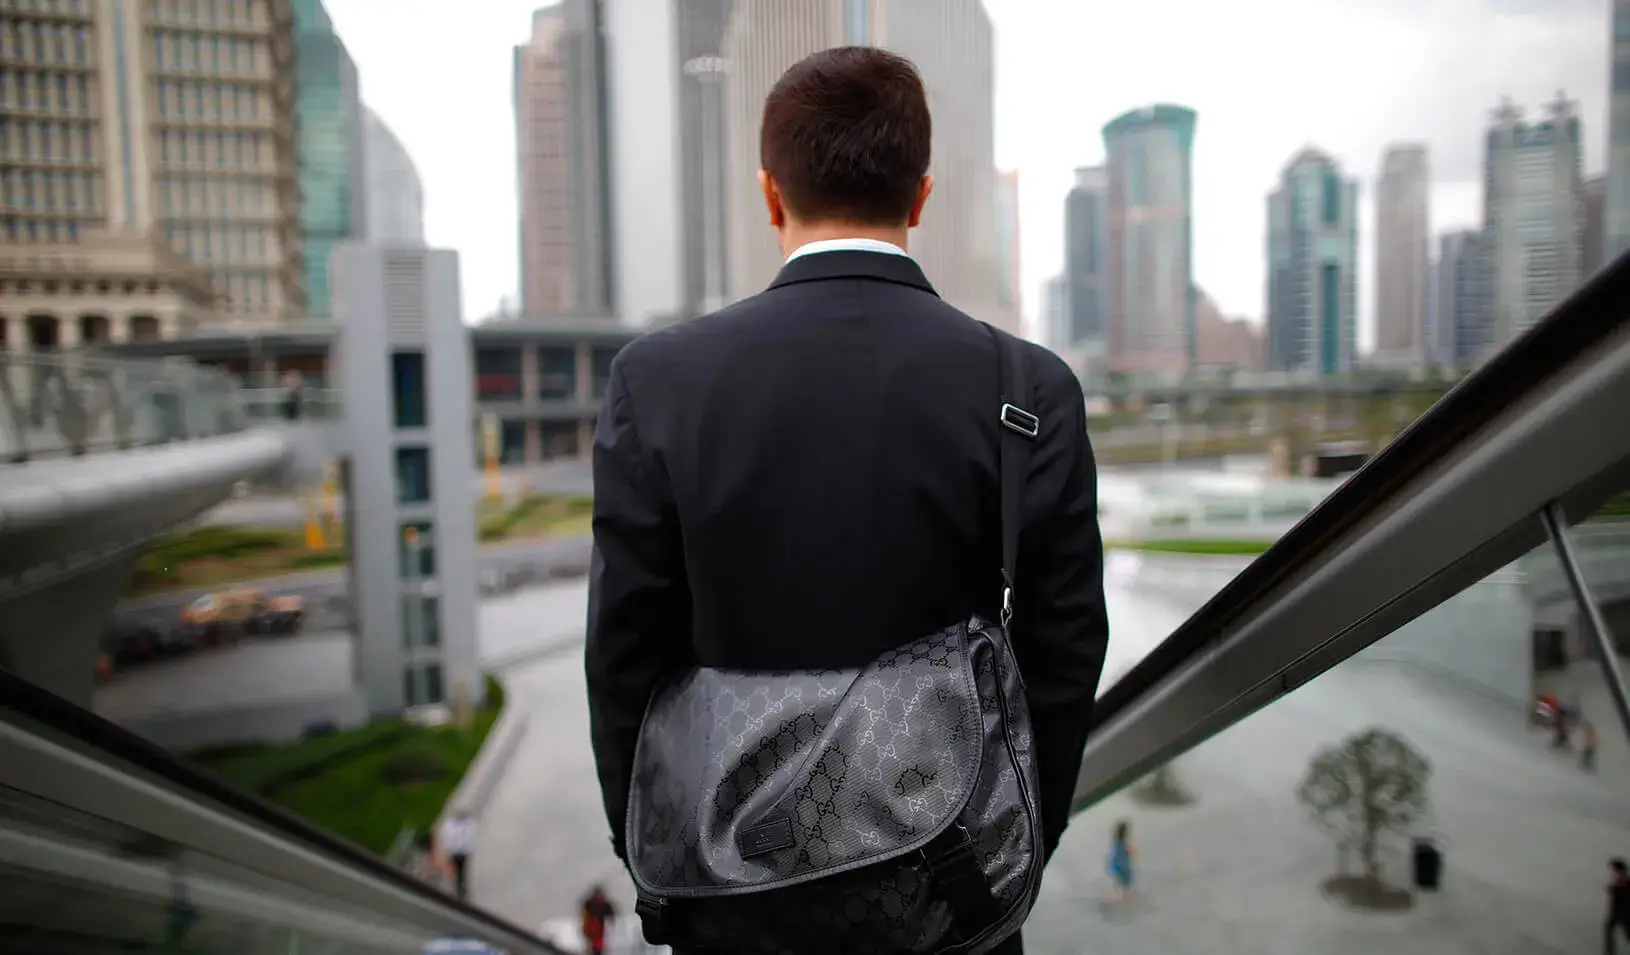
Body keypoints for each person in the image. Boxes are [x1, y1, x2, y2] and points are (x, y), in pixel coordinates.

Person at [584, 45, 1108, 955]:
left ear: (771, 195)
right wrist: (1015, 845)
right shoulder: (1028, 387)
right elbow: (1064, 655)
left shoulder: (656, 381)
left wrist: (652, 856)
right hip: (952, 900)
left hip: (730, 897)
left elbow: (624, 652)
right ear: (920, 197)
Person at [436, 811, 477, 901]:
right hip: (462, 853)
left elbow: (449, 839)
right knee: (461, 870)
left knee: (457, 869)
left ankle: (459, 886)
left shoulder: (451, 827)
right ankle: (461, 886)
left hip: (456, 852)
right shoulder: (466, 826)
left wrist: (448, 851)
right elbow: (469, 838)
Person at [580, 885, 617, 955]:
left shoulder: (592, 903)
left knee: (597, 943)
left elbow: (611, 913)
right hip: (593, 926)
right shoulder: (592, 903)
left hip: (598, 926)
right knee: (595, 943)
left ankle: (596, 951)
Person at [1107, 820, 1135, 903]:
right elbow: (1124, 854)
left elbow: (1115, 856)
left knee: (1121, 887)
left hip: (1118, 866)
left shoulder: (1117, 843)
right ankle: (1119, 899)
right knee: (1124, 887)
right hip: (1123, 867)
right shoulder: (1122, 844)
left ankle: (1119, 898)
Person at [1608, 858, 1630, 954]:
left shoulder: (1625, 882)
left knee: (1628, 933)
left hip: (1625, 914)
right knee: (1609, 932)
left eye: (1614, 870)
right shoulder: (1619, 881)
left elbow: (1624, 896)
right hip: (1616, 912)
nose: (1613, 872)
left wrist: (1615, 889)